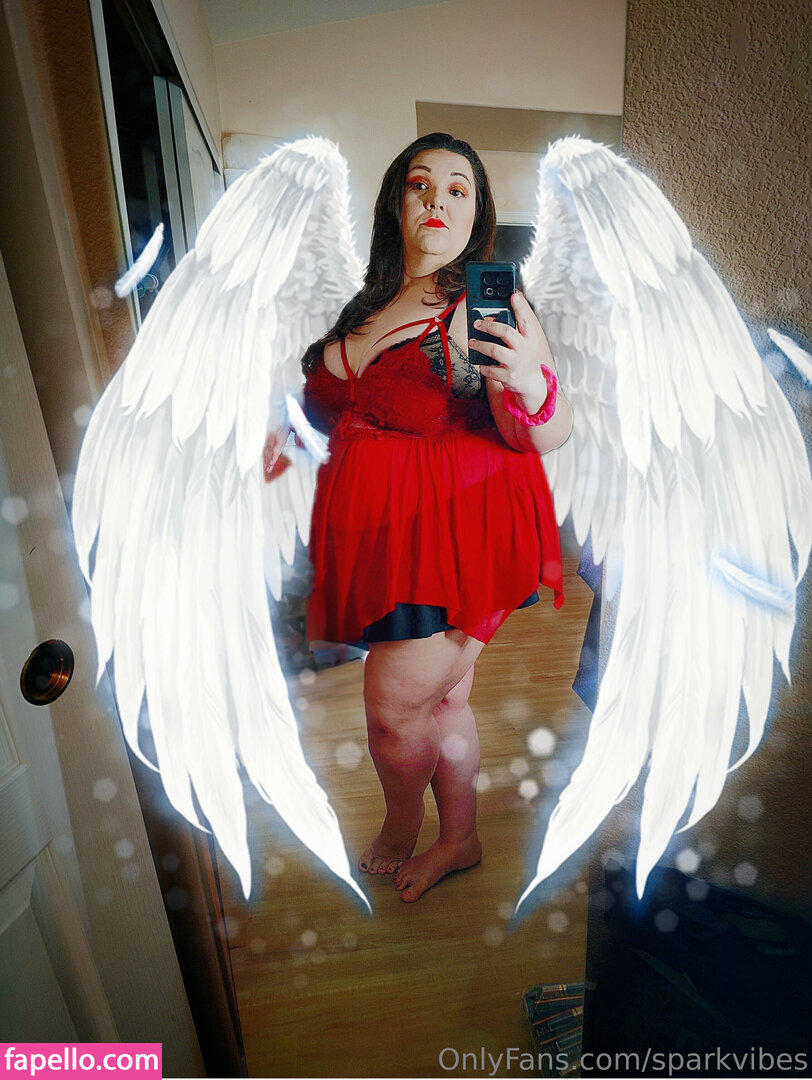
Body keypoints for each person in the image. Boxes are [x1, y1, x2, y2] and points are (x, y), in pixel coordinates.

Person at [268, 132, 573, 903]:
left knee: (393, 711)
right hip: (385, 542)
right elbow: (334, 411)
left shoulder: (484, 301)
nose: (437, 199)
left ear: (478, 214)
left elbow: (541, 431)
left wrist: (531, 382)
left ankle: (402, 825)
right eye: (420, 184)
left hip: (456, 535)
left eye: (458, 189)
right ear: (395, 204)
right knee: (443, 700)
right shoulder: (365, 306)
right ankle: (460, 838)